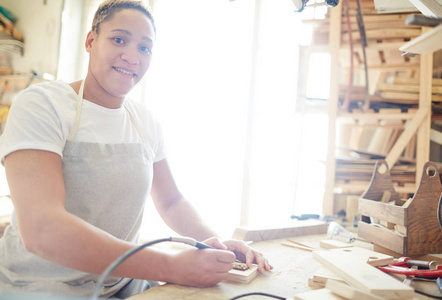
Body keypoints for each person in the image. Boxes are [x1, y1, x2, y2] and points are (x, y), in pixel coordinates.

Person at [0, 0, 272, 298]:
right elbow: (42, 230)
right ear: (91, 41)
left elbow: (171, 202)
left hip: (122, 281)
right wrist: (171, 266)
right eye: (119, 39)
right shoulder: (43, 105)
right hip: (39, 284)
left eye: (145, 48)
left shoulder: (144, 121)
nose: (132, 56)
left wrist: (213, 241)